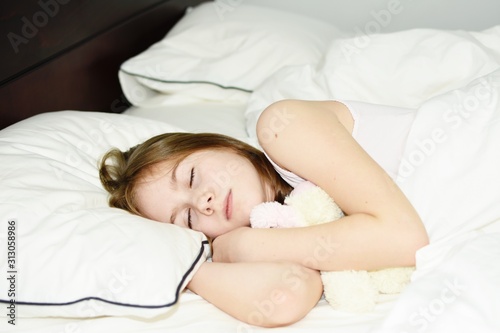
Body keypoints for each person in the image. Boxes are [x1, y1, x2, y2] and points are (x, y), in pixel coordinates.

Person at [99, 99, 429, 327]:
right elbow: (284, 296)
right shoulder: (284, 225)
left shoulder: (282, 126)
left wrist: (246, 247)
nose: (204, 201)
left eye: (193, 176)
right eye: (187, 218)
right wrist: (190, 271)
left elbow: (405, 238)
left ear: (223, 144)